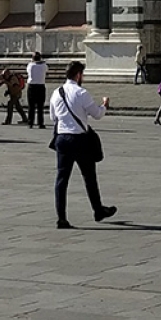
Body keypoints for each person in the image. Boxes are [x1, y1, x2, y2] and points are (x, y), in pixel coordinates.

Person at [49, 61, 117, 228]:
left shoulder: (56, 93)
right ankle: (98, 210)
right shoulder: (82, 93)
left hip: (62, 139)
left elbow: (53, 118)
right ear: (78, 75)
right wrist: (104, 105)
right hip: (79, 139)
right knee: (89, 177)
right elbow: (97, 114)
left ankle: (62, 218)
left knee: (61, 179)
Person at [26, 53, 49, 130]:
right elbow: (46, 69)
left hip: (32, 86)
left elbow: (28, 71)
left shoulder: (30, 65)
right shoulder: (44, 66)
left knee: (31, 106)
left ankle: (30, 123)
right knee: (40, 106)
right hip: (40, 86)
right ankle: (40, 123)